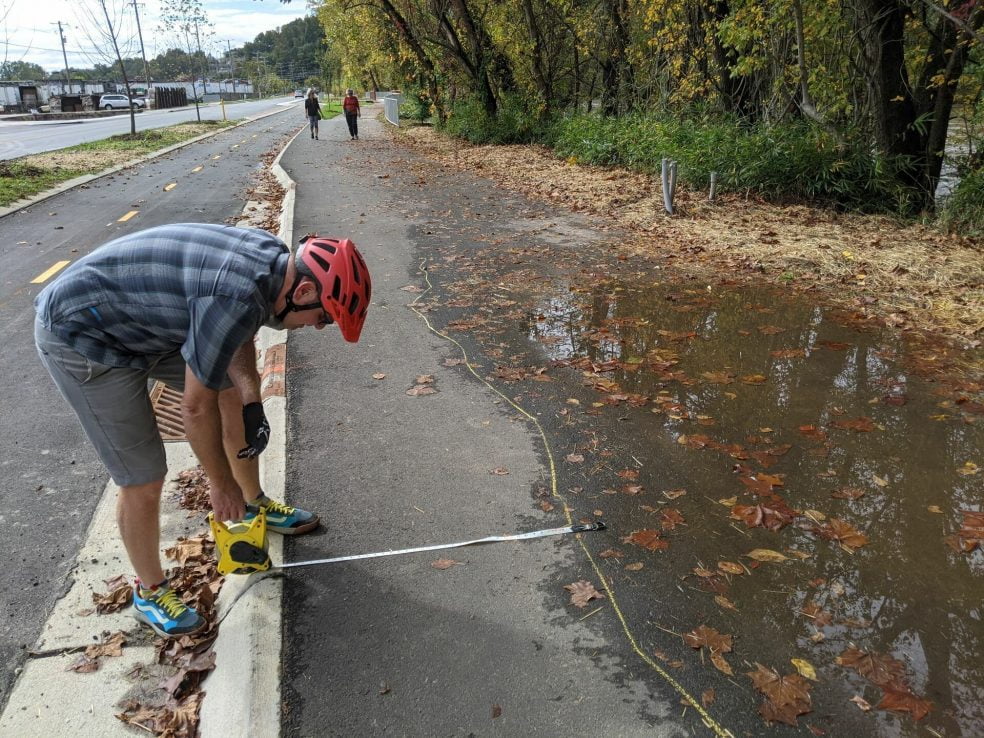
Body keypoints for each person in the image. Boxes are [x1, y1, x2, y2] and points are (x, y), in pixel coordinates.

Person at [34, 223, 372, 638]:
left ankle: (254, 502)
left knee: (230, 393)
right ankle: (149, 592)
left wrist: (251, 398)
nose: (318, 327)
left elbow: (238, 336)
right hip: (84, 337)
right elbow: (194, 408)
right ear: (302, 291)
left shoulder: (270, 264)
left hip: (148, 323)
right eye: (323, 317)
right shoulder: (232, 295)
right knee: (142, 476)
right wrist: (220, 483)